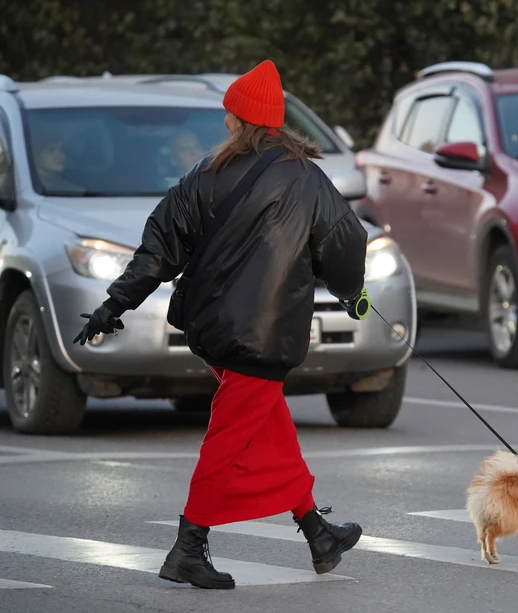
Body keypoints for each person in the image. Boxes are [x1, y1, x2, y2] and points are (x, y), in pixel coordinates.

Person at [73, 60, 370, 590]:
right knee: (228, 442)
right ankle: (188, 548)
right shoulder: (307, 178)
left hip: (212, 330)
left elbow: (157, 250)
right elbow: (345, 244)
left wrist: (113, 305)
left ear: (237, 119)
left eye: (228, 112)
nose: (225, 119)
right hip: (264, 336)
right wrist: (351, 293)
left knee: (271, 430)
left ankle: (317, 533)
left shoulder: (203, 176)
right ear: (275, 122)